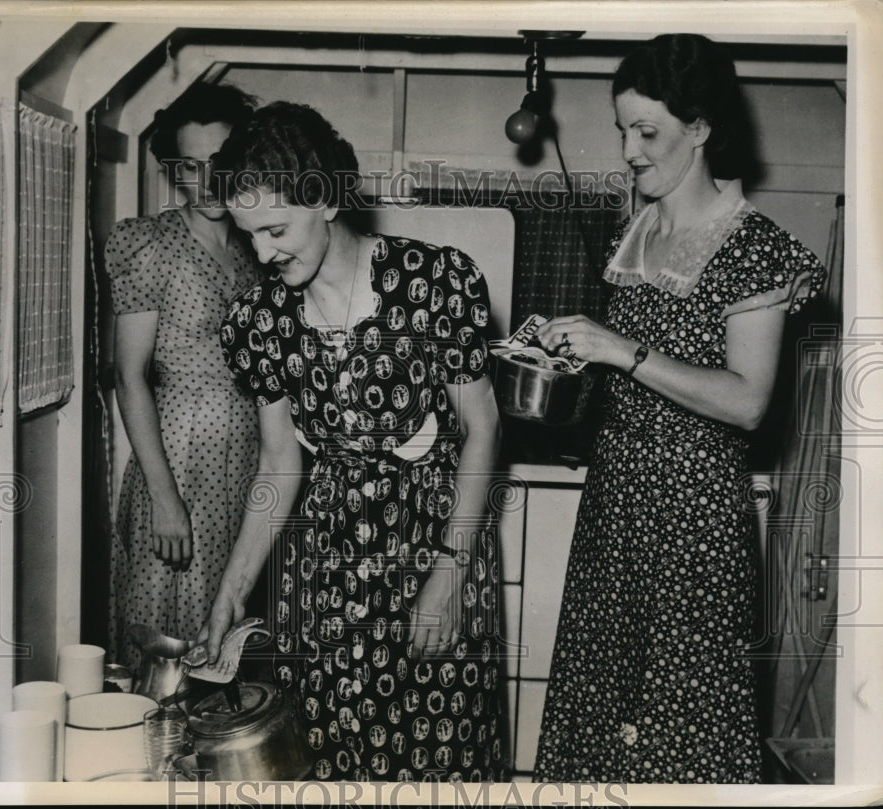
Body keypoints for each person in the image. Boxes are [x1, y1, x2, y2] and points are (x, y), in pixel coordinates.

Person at [531, 34, 827, 784]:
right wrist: (567, 362)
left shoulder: (751, 246)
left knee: (680, 724)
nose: (629, 149)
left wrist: (618, 349)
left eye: (648, 131)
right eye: (623, 128)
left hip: (693, 525)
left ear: (699, 128)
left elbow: (748, 400)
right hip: (615, 509)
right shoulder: (640, 232)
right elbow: (632, 376)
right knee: (600, 715)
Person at [199, 101, 508, 782]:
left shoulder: (434, 284)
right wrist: (232, 588)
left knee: (440, 760)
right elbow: (279, 465)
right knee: (338, 759)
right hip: (329, 576)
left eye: (276, 229)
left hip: (438, 549)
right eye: (249, 235)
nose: (262, 253)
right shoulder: (260, 321)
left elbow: (483, 429)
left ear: (327, 199)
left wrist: (448, 578)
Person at [105, 83, 262, 671]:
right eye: (191, 167)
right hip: (176, 464)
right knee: (165, 649)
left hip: (246, 467)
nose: (209, 180)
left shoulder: (257, 249)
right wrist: (164, 499)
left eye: (221, 163)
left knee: (227, 640)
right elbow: (130, 377)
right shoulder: (151, 244)